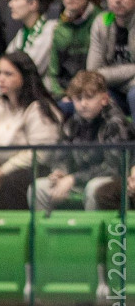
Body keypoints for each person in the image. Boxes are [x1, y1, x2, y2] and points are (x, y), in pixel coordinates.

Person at [31, 70, 135, 213]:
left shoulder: (115, 123)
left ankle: (93, 228)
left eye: (89, 97)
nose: (83, 104)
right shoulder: (72, 122)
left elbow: (113, 168)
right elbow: (61, 154)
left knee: (93, 188)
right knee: (38, 188)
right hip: (78, 178)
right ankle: (48, 228)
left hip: (111, 179)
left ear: (104, 99)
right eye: (78, 99)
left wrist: (73, 178)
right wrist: (60, 171)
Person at [0, 51, 63, 209]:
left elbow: (40, 154)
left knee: (10, 183)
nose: (1, 79)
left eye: (8, 74)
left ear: (24, 76)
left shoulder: (40, 108)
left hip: (32, 170)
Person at [88, 0, 135, 115]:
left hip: (131, 88)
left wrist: (107, 75)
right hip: (113, 87)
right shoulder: (102, 21)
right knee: (90, 96)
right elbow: (93, 73)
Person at [50, 0, 100, 102]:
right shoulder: (59, 27)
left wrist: (79, 95)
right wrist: (61, 95)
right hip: (64, 93)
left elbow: (100, 69)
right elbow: (53, 72)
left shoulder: (102, 20)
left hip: (92, 92)